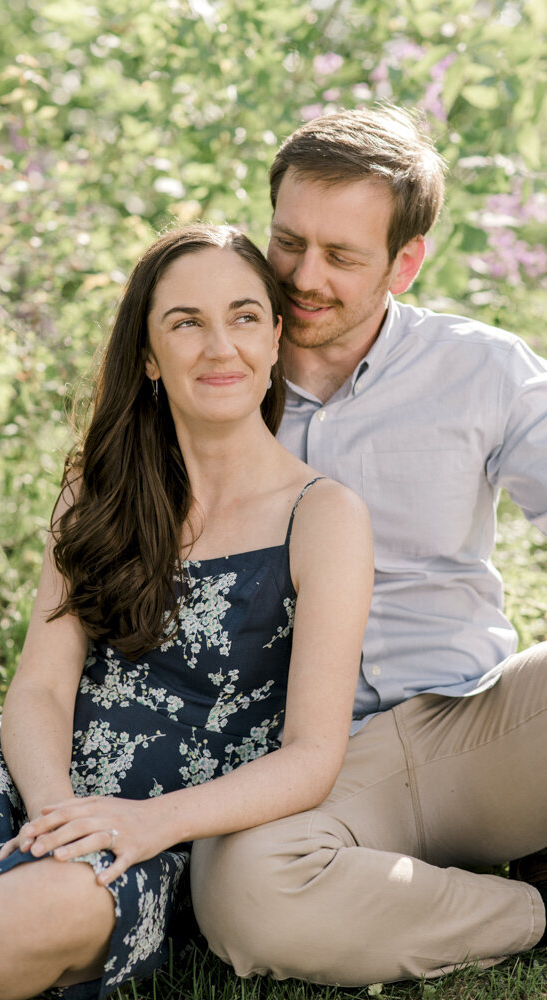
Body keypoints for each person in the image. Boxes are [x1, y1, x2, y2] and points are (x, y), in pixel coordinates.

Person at [0, 224, 373, 1000]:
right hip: (28, 774)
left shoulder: (323, 517)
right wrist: (53, 815)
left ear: (277, 340)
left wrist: (135, 827)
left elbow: (312, 756)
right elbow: (41, 688)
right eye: (186, 322)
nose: (220, 347)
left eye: (244, 317)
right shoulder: (97, 493)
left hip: (158, 837)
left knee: (50, 904)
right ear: (147, 355)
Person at [190, 106, 547, 986]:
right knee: (245, 896)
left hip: (484, 722)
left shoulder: (484, 369)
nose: (304, 278)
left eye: (342, 257)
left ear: (406, 260)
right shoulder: (215, 373)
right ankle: (528, 909)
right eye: (288, 242)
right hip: (316, 769)